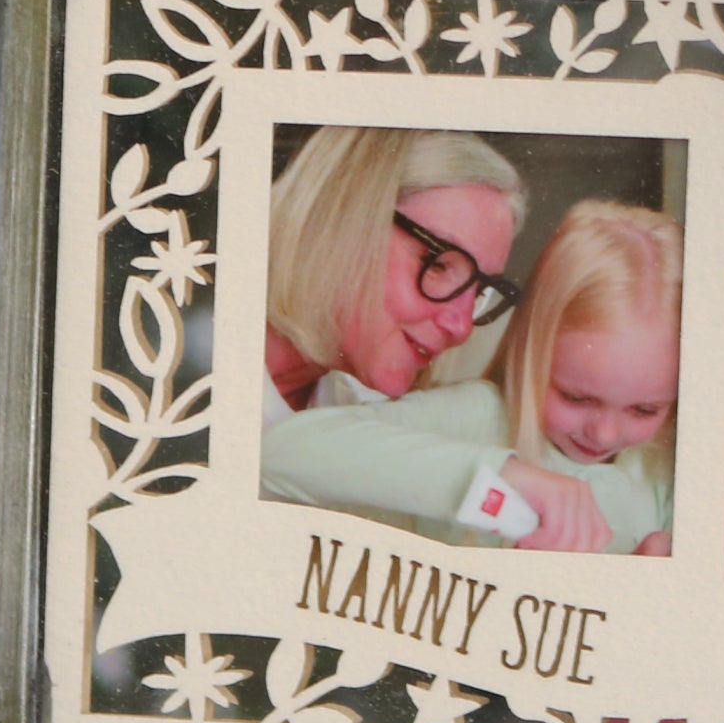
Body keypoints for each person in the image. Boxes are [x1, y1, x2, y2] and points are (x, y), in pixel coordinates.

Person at [261, 200, 682, 555]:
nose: (605, 434)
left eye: (645, 410)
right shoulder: (479, 417)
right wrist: (499, 476)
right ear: (531, 354)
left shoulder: (662, 468)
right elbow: (279, 452)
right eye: (576, 398)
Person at [263, 126, 527, 421]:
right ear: (341, 220)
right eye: (438, 265)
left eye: (479, 291)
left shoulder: (354, 420)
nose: (461, 328)